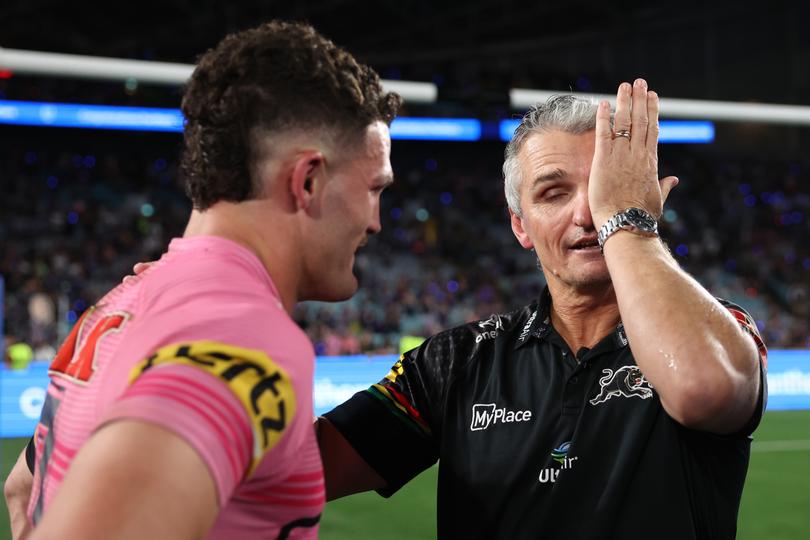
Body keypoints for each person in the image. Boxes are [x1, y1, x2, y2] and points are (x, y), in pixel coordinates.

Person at [317, 81, 767, 539]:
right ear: (520, 225)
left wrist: (628, 221)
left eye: (603, 188)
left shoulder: (718, 327)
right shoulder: (456, 362)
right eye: (554, 193)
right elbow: (293, 470)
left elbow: (703, 390)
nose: (588, 214)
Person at [6, 20, 400, 539]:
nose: (375, 220)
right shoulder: (241, 338)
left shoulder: (119, 306)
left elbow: (20, 490)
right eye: (374, 188)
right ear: (307, 180)